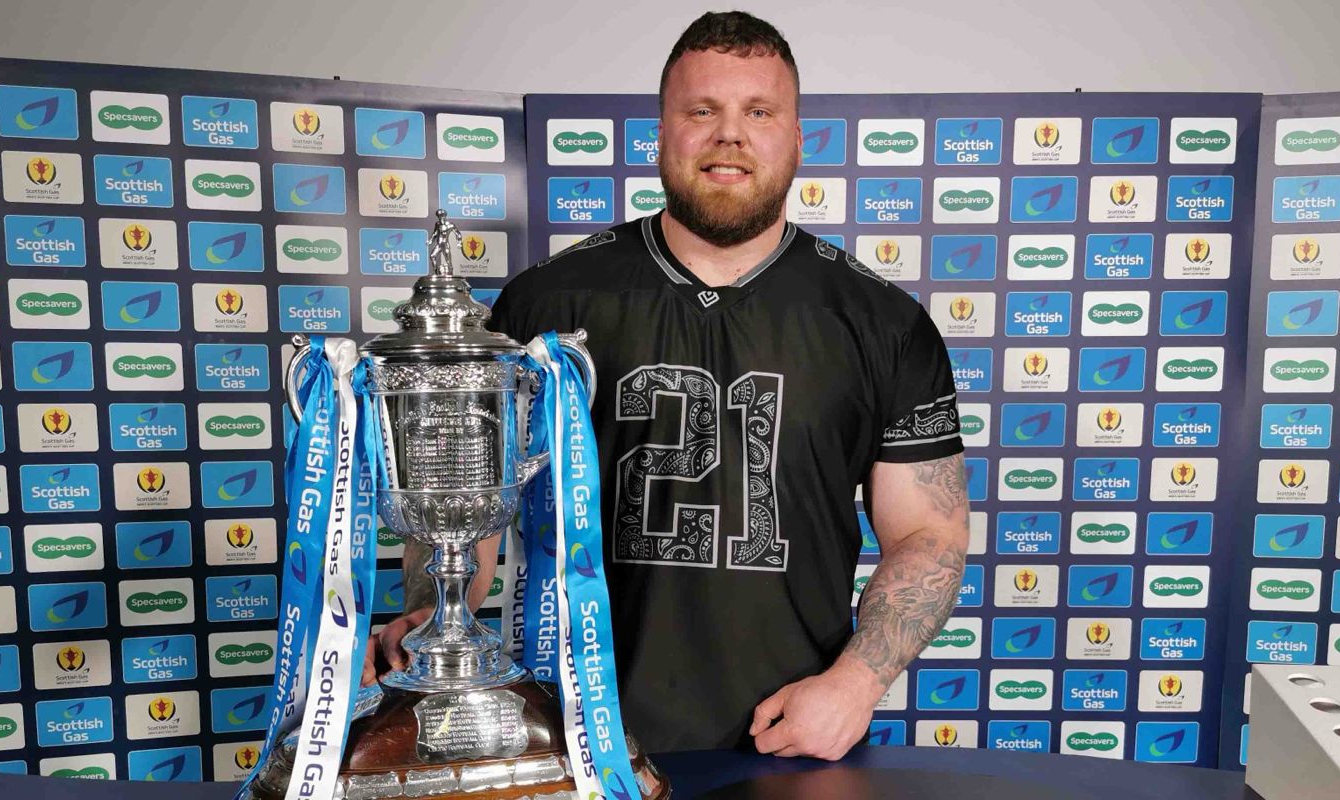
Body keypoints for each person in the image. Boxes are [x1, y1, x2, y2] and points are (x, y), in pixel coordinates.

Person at [361, 10, 969, 761]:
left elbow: (928, 534)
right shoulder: (545, 304)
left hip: (791, 735)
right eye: (701, 111)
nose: (729, 135)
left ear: (797, 138)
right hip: (571, 736)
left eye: (759, 112)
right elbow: (469, 506)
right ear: (660, 134)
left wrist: (857, 683)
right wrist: (434, 614)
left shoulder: (884, 323)